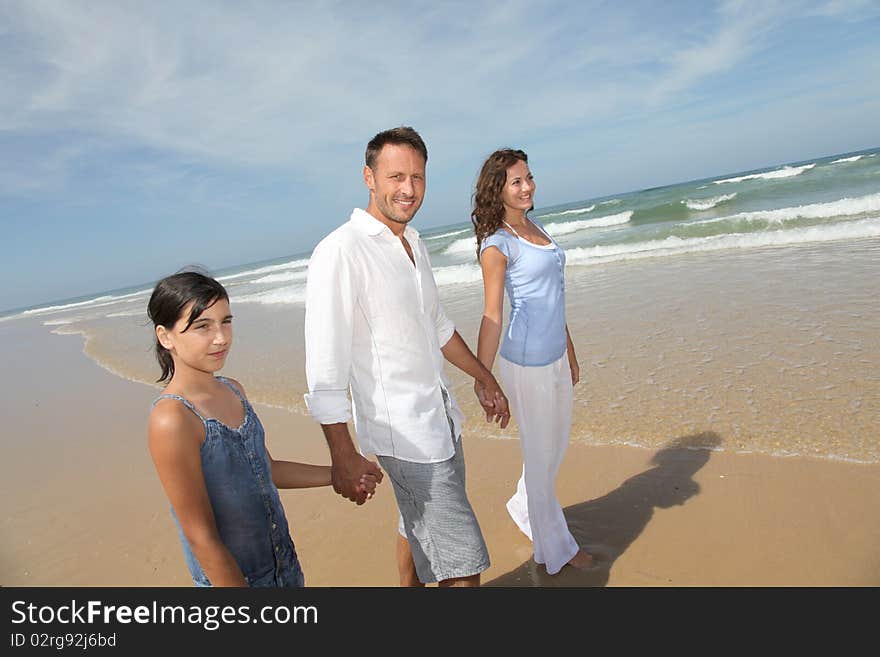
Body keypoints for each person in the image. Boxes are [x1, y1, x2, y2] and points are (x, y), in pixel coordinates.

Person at [303, 126, 511, 587]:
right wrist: (342, 454)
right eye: (396, 176)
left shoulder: (413, 242)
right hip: (405, 435)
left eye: (418, 177)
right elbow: (324, 366)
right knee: (463, 563)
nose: (408, 189)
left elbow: (438, 327)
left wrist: (484, 377)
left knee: (416, 526)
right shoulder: (340, 251)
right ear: (369, 177)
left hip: (439, 418)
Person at [147, 270, 376, 586]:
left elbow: (266, 469)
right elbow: (200, 537)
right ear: (166, 336)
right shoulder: (172, 418)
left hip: (285, 569)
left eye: (226, 321)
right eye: (202, 326)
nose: (221, 337)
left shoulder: (233, 390)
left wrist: (340, 474)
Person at [471, 148, 593, 575]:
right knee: (540, 457)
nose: (527, 187)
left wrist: (570, 353)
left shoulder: (536, 227)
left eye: (529, 178)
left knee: (555, 448)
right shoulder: (498, 243)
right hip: (525, 365)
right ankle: (558, 547)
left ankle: (524, 503)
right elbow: (492, 316)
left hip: (555, 357)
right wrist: (484, 379)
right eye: (516, 182)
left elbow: (554, 300)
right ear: (498, 190)